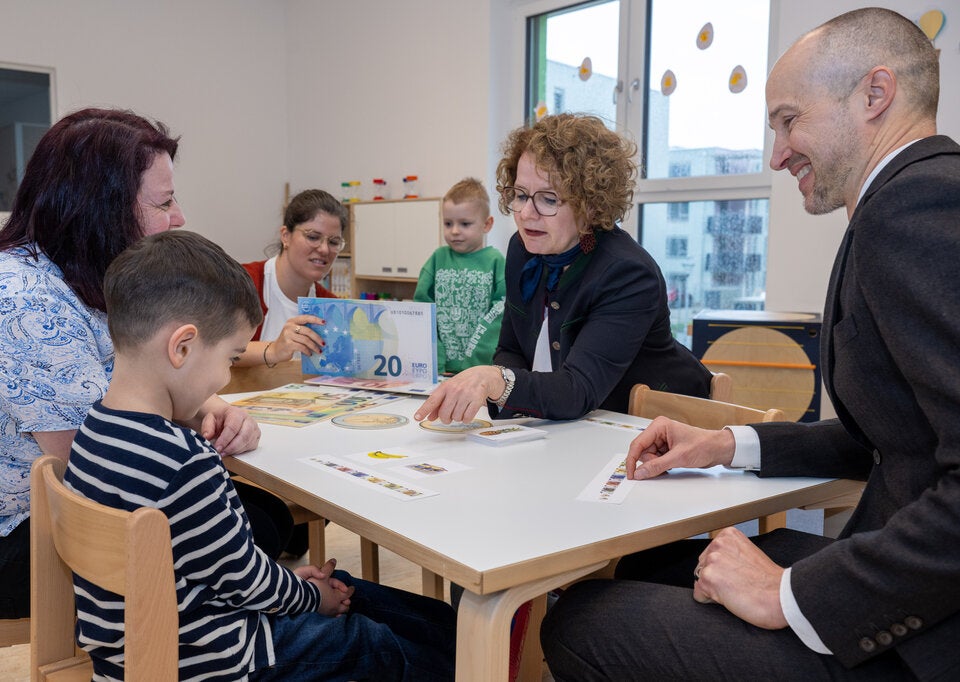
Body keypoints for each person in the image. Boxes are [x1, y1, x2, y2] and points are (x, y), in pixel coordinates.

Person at [542, 8, 960, 681]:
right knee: (660, 563)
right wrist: (725, 444)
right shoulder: (908, 203)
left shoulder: (918, 211)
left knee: (582, 620)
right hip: (910, 566)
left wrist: (787, 595)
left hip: (926, 640)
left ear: (874, 95)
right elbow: (889, 437)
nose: (777, 153)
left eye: (789, 119)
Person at [64, 230, 456, 681]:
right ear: (182, 347)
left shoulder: (96, 429)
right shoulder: (185, 461)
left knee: (372, 599)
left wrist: (291, 585)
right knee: (373, 640)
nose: (225, 379)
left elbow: (225, 568)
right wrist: (311, 598)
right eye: (230, 358)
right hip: (216, 658)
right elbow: (245, 581)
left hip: (144, 645)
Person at [0, 108, 261, 619]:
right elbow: (96, 458)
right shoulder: (23, 298)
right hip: (26, 532)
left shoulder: (85, 273)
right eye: (163, 202)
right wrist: (194, 415)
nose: (179, 217)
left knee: (256, 521)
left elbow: (146, 373)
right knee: (249, 531)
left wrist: (213, 404)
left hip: (77, 508)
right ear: (101, 207)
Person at [414, 114, 710, 425]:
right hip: (576, 429)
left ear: (591, 205)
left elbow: (577, 390)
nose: (527, 214)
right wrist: (506, 405)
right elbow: (511, 350)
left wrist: (494, 380)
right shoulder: (522, 249)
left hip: (659, 429)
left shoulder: (628, 273)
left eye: (549, 199)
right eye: (520, 195)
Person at [236, 188, 346, 368]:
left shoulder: (330, 306)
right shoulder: (241, 283)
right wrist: (274, 350)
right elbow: (208, 351)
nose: (324, 249)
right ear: (285, 236)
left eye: (333, 242)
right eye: (313, 237)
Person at [414, 177, 506, 374]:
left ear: (487, 224)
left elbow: (499, 317)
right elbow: (422, 310)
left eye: (465, 224)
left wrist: (474, 366)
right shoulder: (437, 259)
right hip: (439, 370)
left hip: (480, 371)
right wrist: (435, 360)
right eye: (448, 223)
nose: (454, 231)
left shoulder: (496, 262)